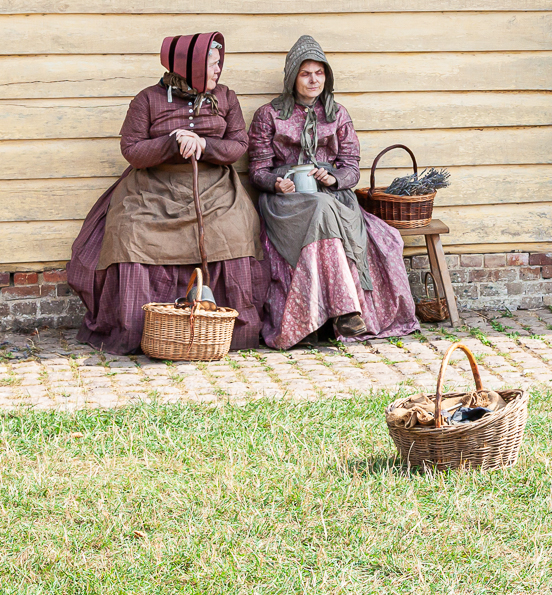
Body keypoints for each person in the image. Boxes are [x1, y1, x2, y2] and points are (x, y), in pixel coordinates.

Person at [67, 32, 269, 354]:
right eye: (212, 65)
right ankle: (140, 329)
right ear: (190, 67)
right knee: (130, 230)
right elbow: (131, 150)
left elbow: (239, 145)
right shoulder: (147, 99)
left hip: (213, 185)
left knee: (234, 227)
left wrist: (205, 144)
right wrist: (171, 141)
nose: (218, 71)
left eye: (219, 64)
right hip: (153, 186)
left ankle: (226, 328)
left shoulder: (226, 97)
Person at [250, 35, 419, 346]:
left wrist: (333, 178)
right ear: (292, 77)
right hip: (286, 201)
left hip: (331, 196)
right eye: (305, 73)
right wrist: (275, 181)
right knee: (320, 207)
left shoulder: (337, 114)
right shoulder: (268, 115)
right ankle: (344, 310)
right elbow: (258, 169)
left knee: (385, 237)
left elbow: (351, 168)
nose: (313, 80)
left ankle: (338, 313)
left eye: (319, 73)